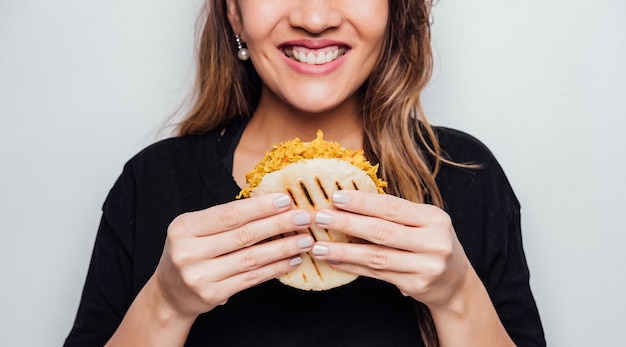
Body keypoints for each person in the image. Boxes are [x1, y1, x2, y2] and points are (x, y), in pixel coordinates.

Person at [64, 0, 545, 346]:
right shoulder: (150, 181)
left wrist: (457, 296)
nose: (314, 18)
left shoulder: (466, 174)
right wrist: (165, 305)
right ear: (234, 12)